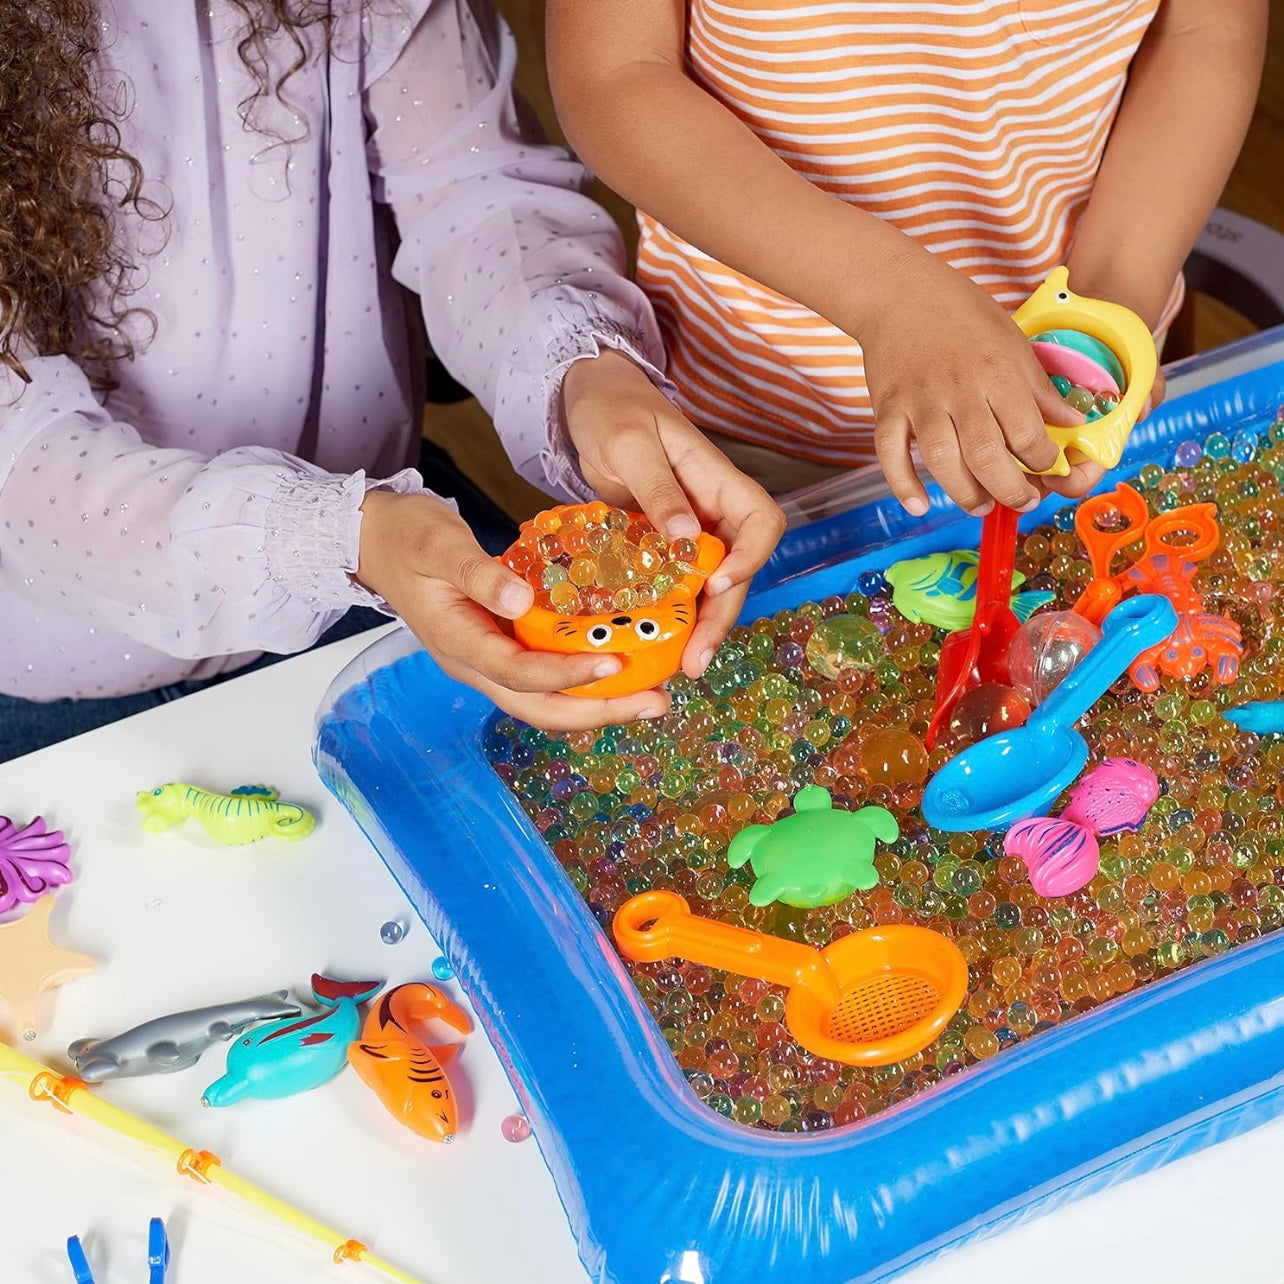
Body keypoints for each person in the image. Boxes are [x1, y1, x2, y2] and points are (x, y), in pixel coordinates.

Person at [0, 0, 786, 761]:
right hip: (68, 669)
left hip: (390, 565)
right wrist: (338, 538)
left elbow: (476, 198)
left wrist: (586, 369)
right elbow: (23, 465)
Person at [546, 0, 1268, 511]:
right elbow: (613, 75)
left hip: (1084, 372)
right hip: (763, 421)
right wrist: (887, 296)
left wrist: (1108, 311)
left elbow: (1206, 28)